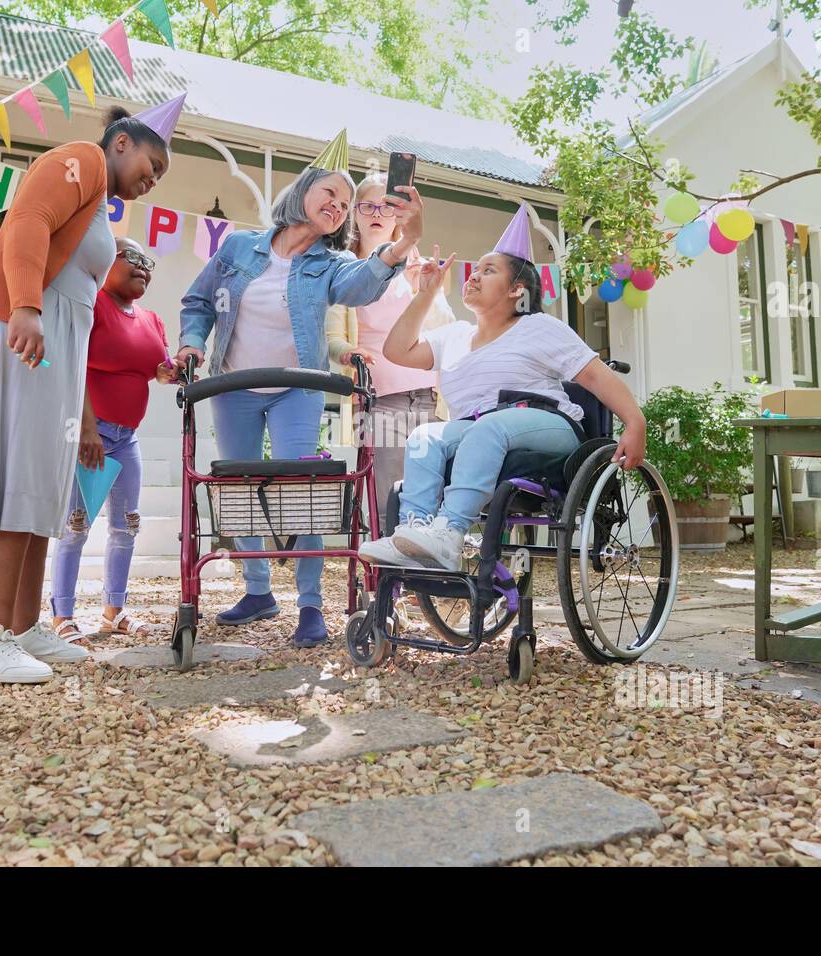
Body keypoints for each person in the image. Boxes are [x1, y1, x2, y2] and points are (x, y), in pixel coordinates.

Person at [0, 94, 184, 683]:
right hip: (5, 323)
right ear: (122, 142)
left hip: (50, 344)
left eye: (161, 176)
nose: (153, 181)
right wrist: (25, 306)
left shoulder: (100, 203)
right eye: (153, 165)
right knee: (12, 476)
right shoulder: (82, 159)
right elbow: (28, 221)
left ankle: (21, 628)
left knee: (41, 485)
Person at [176, 131, 425, 647]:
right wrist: (192, 343)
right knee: (239, 489)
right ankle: (258, 591)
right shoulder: (238, 247)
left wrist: (403, 243)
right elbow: (199, 302)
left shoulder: (329, 265)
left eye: (346, 203)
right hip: (234, 384)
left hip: (298, 388)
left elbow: (362, 283)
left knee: (302, 493)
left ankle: (310, 606)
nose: (338, 206)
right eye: (330, 194)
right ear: (302, 192)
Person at [359, 211, 646, 573]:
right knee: (424, 437)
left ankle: (449, 533)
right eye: (475, 269)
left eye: (489, 270)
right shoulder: (454, 336)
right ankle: (414, 532)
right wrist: (426, 294)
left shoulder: (538, 327)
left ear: (516, 290)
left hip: (547, 424)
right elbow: (396, 351)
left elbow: (595, 376)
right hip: (477, 430)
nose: (474, 275)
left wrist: (635, 422)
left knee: (487, 427)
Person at [48, 237, 179, 643]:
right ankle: (62, 616)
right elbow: (71, 367)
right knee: (76, 527)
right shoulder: (92, 305)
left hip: (127, 438)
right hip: (91, 434)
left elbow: (157, 371)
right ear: (108, 260)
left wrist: (174, 370)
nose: (143, 267)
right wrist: (86, 429)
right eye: (132, 257)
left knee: (126, 528)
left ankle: (113, 611)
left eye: (148, 262)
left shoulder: (151, 319)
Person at [325, 173, 452, 530]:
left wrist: (425, 292)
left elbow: (445, 327)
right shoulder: (343, 268)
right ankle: (385, 563)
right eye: (367, 206)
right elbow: (332, 337)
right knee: (385, 497)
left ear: (399, 215)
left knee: (432, 493)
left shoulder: (416, 263)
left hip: (427, 396)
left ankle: (424, 563)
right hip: (378, 399)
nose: (376, 214)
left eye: (386, 207)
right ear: (354, 213)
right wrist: (348, 352)